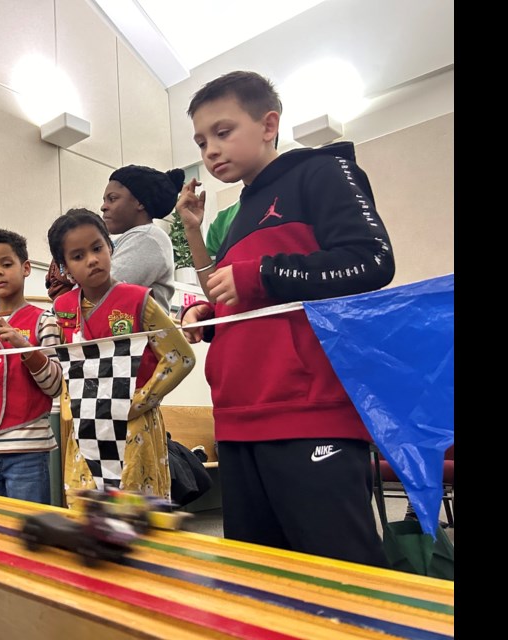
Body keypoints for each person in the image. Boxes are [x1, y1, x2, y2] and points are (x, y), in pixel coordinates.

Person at [178, 70, 394, 567]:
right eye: (201, 141)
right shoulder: (237, 214)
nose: (210, 150)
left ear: (269, 124)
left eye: (223, 132)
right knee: (260, 580)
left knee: (344, 582)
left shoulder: (322, 172)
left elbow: (372, 261)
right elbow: (241, 290)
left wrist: (261, 275)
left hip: (307, 410)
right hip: (236, 418)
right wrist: (213, 311)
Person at [47, 209, 195, 508]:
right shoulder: (61, 309)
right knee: (87, 509)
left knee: (132, 513)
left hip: (133, 425)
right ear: (64, 267)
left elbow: (181, 358)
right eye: (77, 256)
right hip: (85, 426)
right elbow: (66, 369)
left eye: (97, 248)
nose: (91, 259)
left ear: (110, 247)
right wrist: (71, 407)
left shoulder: (138, 300)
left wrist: (138, 402)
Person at [0, 229, 62, 505]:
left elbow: (55, 385)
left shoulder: (45, 321)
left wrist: (25, 347)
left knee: (30, 532)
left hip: (29, 450)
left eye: (7, 264)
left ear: (26, 268)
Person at [101, 164, 184, 313]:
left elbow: (103, 291)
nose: (103, 207)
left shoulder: (148, 237)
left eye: (112, 199)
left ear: (140, 202)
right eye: (104, 200)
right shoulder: (134, 237)